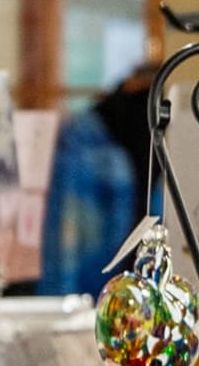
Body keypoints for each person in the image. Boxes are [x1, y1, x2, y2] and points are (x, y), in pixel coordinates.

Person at [39, 60, 157, 295]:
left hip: (136, 300)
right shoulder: (82, 143)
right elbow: (63, 243)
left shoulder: (163, 133)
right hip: (87, 300)